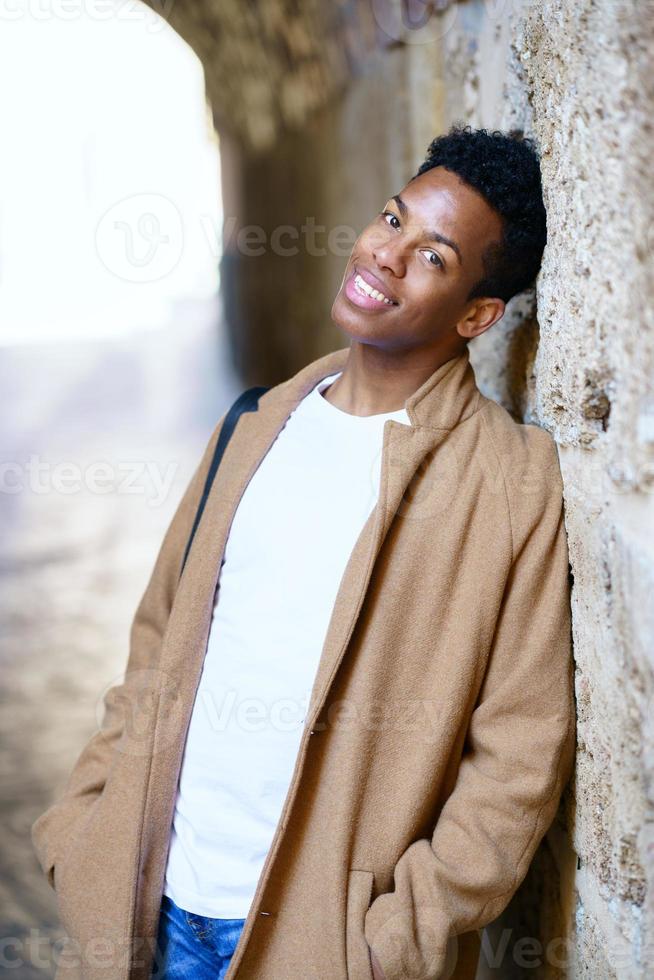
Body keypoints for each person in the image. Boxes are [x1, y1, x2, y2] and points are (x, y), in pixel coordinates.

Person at [31, 124, 576, 980]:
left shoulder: (508, 483)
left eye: (433, 256)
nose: (386, 256)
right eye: (393, 220)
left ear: (477, 315)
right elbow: (156, 644)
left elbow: (520, 748)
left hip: (319, 945)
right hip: (145, 909)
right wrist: (84, 828)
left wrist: (390, 941)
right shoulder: (253, 424)